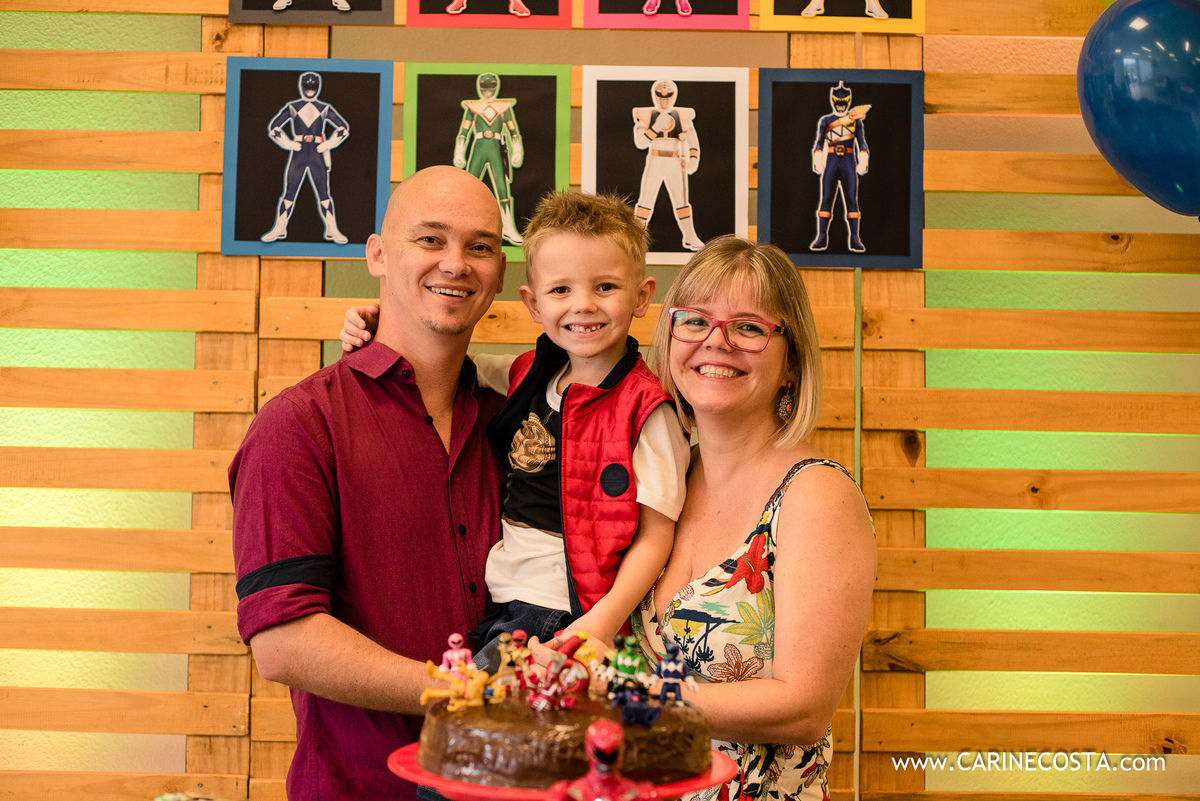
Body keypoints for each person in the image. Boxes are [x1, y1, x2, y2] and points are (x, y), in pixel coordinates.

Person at [230, 166, 508, 801]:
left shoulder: (519, 420)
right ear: (378, 255)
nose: (456, 263)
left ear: (499, 273)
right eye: (430, 239)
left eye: (481, 246)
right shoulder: (300, 424)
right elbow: (284, 641)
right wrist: (467, 691)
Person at [340, 191, 691, 672]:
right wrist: (371, 326)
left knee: (470, 708)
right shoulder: (527, 374)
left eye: (606, 287)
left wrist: (599, 626)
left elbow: (656, 537)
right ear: (532, 303)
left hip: (570, 618)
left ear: (642, 296)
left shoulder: (648, 409)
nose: (583, 305)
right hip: (504, 608)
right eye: (561, 290)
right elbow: (433, 361)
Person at [627, 235, 877, 799]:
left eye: (748, 327)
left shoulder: (816, 496)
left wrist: (631, 700)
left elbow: (803, 708)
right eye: (695, 321)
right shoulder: (662, 481)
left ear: (792, 362)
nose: (716, 342)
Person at [260, 71, 351, 245]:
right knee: (290, 190)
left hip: (316, 152)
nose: (310, 91)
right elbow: (274, 127)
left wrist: (328, 144)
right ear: (302, 87)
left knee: (323, 192)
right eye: (307, 87)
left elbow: (343, 128)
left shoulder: (324, 108)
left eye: (313, 87)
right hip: (299, 152)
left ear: (318, 87)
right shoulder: (293, 107)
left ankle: (332, 228)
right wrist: (288, 143)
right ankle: (280, 227)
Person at [453, 72, 526, 245]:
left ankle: (508, 226)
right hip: (479, 146)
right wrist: (459, 152)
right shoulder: (473, 108)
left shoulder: (504, 108)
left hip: (495, 146)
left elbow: (513, 131)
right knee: (468, 185)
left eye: (490, 87)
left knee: (502, 187)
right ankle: (462, 224)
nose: (487, 91)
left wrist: (517, 151)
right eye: (485, 87)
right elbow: (464, 131)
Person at [632, 79, 705, 252]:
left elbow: (693, 142)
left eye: (667, 96)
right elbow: (641, 143)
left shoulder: (682, 116)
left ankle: (689, 235)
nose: (664, 100)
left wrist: (693, 160)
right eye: (660, 96)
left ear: (674, 96)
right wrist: (656, 126)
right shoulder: (646, 116)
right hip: (655, 159)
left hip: (675, 161)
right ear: (655, 96)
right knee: (646, 199)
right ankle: (635, 235)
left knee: (681, 200)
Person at [810, 80, 871, 253]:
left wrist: (863, 159)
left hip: (848, 163)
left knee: (852, 199)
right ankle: (822, 236)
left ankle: (855, 238)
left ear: (848, 101)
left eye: (844, 101)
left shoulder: (856, 121)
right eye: (838, 101)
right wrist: (817, 158)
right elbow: (819, 142)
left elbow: (862, 142)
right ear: (833, 100)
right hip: (831, 162)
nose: (841, 104)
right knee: (826, 199)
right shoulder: (825, 120)